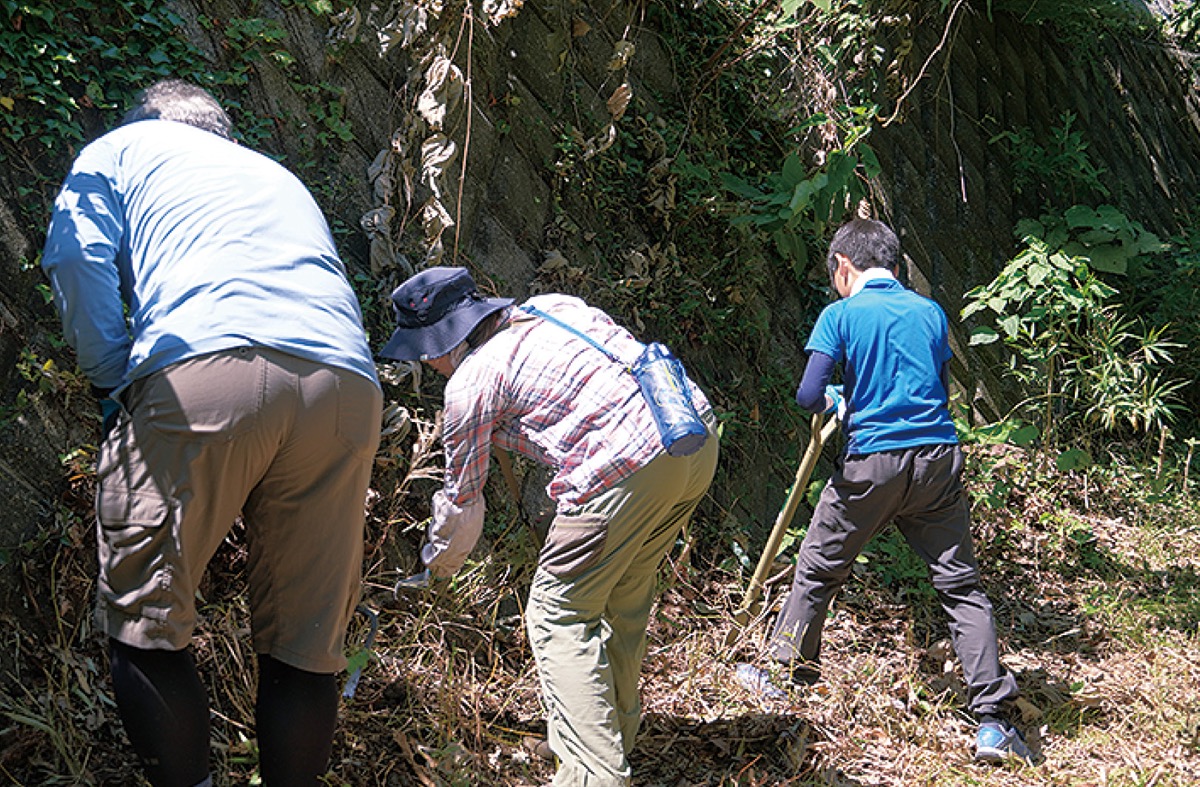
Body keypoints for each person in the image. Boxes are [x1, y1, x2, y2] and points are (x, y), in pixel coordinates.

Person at [41, 80, 382, 786]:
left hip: (207, 365)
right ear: (221, 131)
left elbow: (76, 257)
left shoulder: (122, 148)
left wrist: (110, 380)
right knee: (304, 647)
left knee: (146, 625)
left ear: (147, 119)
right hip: (345, 388)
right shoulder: (276, 176)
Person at [379, 266, 720, 786]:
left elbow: (462, 502)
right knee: (625, 593)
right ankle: (608, 738)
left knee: (557, 611)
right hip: (692, 435)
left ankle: (596, 774)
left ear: (440, 343)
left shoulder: (471, 382)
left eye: (425, 353)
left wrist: (435, 571)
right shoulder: (553, 307)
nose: (428, 364)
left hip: (623, 466)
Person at [735, 218, 1034, 764]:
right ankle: (992, 722)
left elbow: (808, 394)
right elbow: (935, 387)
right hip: (937, 460)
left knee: (818, 568)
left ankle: (782, 672)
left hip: (873, 463)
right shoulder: (930, 312)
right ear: (894, 266)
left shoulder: (841, 314)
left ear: (842, 265)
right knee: (960, 585)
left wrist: (840, 401)